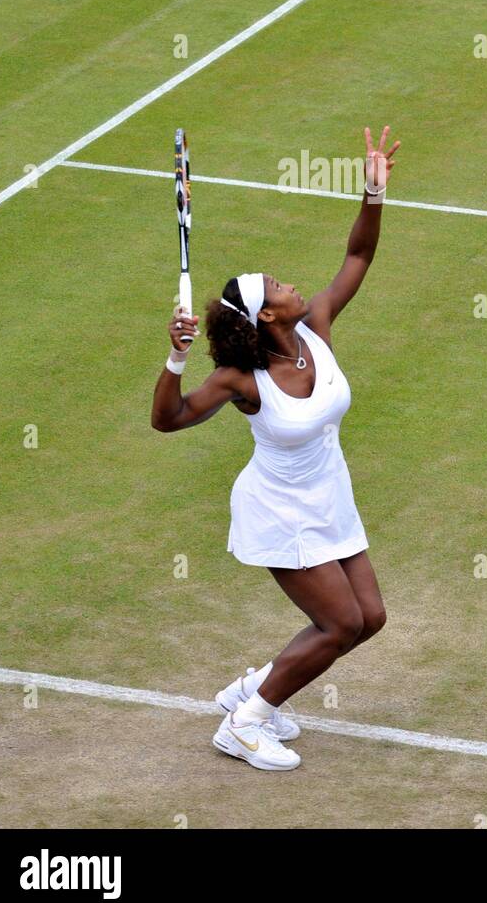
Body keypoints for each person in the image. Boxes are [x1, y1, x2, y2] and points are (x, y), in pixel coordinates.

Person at [152, 125, 400, 771]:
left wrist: (372, 193)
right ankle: (245, 721)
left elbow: (358, 259)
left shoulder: (313, 328)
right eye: (278, 285)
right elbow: (169, 419)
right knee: (339, 624)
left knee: (368, 616)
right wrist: (176, 357)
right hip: (278, 510)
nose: (292, 285)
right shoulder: (243, 381)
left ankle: (251, 685)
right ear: (267, 316)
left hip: (329, 496)